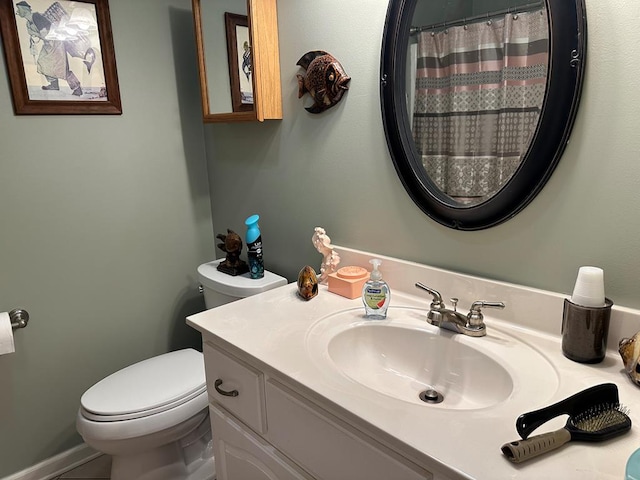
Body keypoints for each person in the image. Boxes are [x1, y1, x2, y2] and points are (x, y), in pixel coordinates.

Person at [15, 1, 83, 96]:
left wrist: (37, 35)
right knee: (43, 63)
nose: (17, 11)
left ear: (24, 10)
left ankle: (77, 88)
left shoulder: (36, 17)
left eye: (19, 9)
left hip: (56, 43)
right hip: (48, 44)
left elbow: (45, 33)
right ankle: (54, 84)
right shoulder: (28, 23)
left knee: (62, 68)